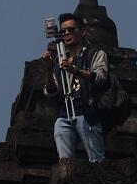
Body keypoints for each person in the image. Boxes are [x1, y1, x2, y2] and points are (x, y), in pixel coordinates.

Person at [42, 13, 108, 163]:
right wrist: (48, 68)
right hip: (63, 115)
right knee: (65, 162)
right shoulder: (59, 59)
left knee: (96, 160)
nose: (66, 34)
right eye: (64, 31)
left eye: (71, 29)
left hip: (87, 112)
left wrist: (75, 70)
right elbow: (51, 92)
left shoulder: (94, 53)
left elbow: (100, 78)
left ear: (82, 31)